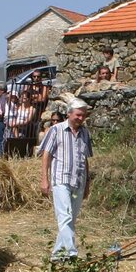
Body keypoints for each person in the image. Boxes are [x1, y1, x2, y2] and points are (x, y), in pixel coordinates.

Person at [39, 100, 93, 259]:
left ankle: (57, 255)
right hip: (61, 179)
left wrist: (87, 183)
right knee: (65, 217)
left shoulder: (85, 133)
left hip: (79, 180)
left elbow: (85, 159)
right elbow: (46, 154)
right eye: (78, 114)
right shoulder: (56, 130)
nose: (80, 118)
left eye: (83, 115)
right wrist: (45, 179)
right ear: (69, 114)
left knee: (70, 220)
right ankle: (71, 253)